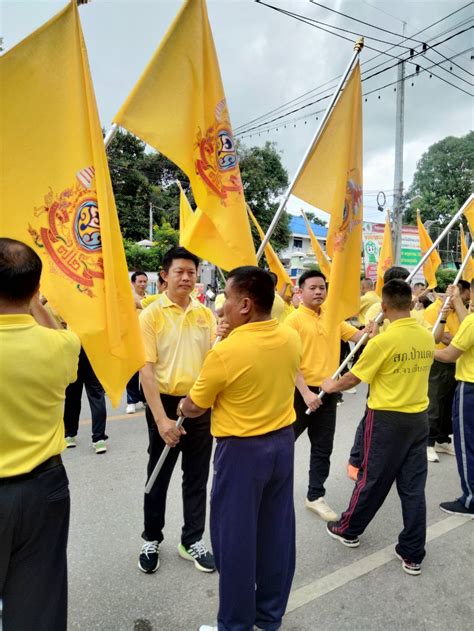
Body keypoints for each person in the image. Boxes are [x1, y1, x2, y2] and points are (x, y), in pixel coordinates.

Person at [179, 266, 302, 631]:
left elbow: (195, 405)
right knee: (277, 534)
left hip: (242, 453)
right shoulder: (290, 336)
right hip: (282, 445)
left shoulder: (227, 351)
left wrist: (182, 406)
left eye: (227, 300)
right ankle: (268, 617)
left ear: (246, 304)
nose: (222, 309)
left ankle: (234, 625)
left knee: (234, 542)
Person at [321, 280, 435, 576]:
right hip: (418, 418)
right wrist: (374, 337)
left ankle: (348, 529)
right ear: (410, 304)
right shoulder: (425, 336)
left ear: (383, 307)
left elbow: (355, 377)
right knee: (412, 488)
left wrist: (332, 385)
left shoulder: (385, 342)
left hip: (387, 419)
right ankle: (412, 553)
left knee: (372, 479)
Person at [0, 238, 80, 630]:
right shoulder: (62, 347)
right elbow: (59, 334)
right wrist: (35, 301)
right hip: (42, 490)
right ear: (35, 289)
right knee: (38, 608)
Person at [137, 246, 216, 574]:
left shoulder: (205, 315)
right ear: (164, 275)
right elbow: (146, 370)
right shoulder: (151, 315)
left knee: (197, 477)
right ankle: (151, 537)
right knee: (158, 475)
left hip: (198, 404)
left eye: (191, 272)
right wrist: (162, 420)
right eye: (179, 272)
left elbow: (214, 362)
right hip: (165, 406)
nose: (186, 277)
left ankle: (192, 539)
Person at [285, 270, 365, 521]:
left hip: (327, 393)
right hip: (299, 394)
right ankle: (270, 490)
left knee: (323, 447)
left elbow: (358, 337)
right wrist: (306, 392)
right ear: (301, 291)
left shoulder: (333, 318)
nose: (319, 291)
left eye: (322, 287)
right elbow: (290, 362)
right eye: (313, 287)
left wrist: (371, 330)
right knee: (282, 444)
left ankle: (315, 495)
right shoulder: (293, 321)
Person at [433, 281, 474, 517]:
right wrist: (457, 301)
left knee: (466, 445)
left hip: (470, 387)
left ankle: (470, 499)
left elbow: (449, 355)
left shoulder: (470, 322)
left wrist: (423, 350)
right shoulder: (469, 320)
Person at [424, 280, 471, 462]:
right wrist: (462, 341)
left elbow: (465, 328)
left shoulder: (460, 310)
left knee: (448, 405)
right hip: (438, 360)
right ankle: (428, 443)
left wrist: (461, 340)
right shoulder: (434, 310)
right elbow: (442, 337)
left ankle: (442, 439)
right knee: (434, 402)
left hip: (456, 361)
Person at [63, 347, 109, 453]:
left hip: (72, 354)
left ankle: (70, 435)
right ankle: (99, 438)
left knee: (71, 397)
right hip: (92, 354)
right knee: (97, 396)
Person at [126, 271, 149, 413]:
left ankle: (146, 398)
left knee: (148, 371)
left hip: (147, 340)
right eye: (140, 281)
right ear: (133, 283)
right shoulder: (127, 299)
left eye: (144, 281)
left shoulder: (149, 299)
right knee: (132, 371)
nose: (143, 284)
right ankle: (131, 401)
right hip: (132, 340)